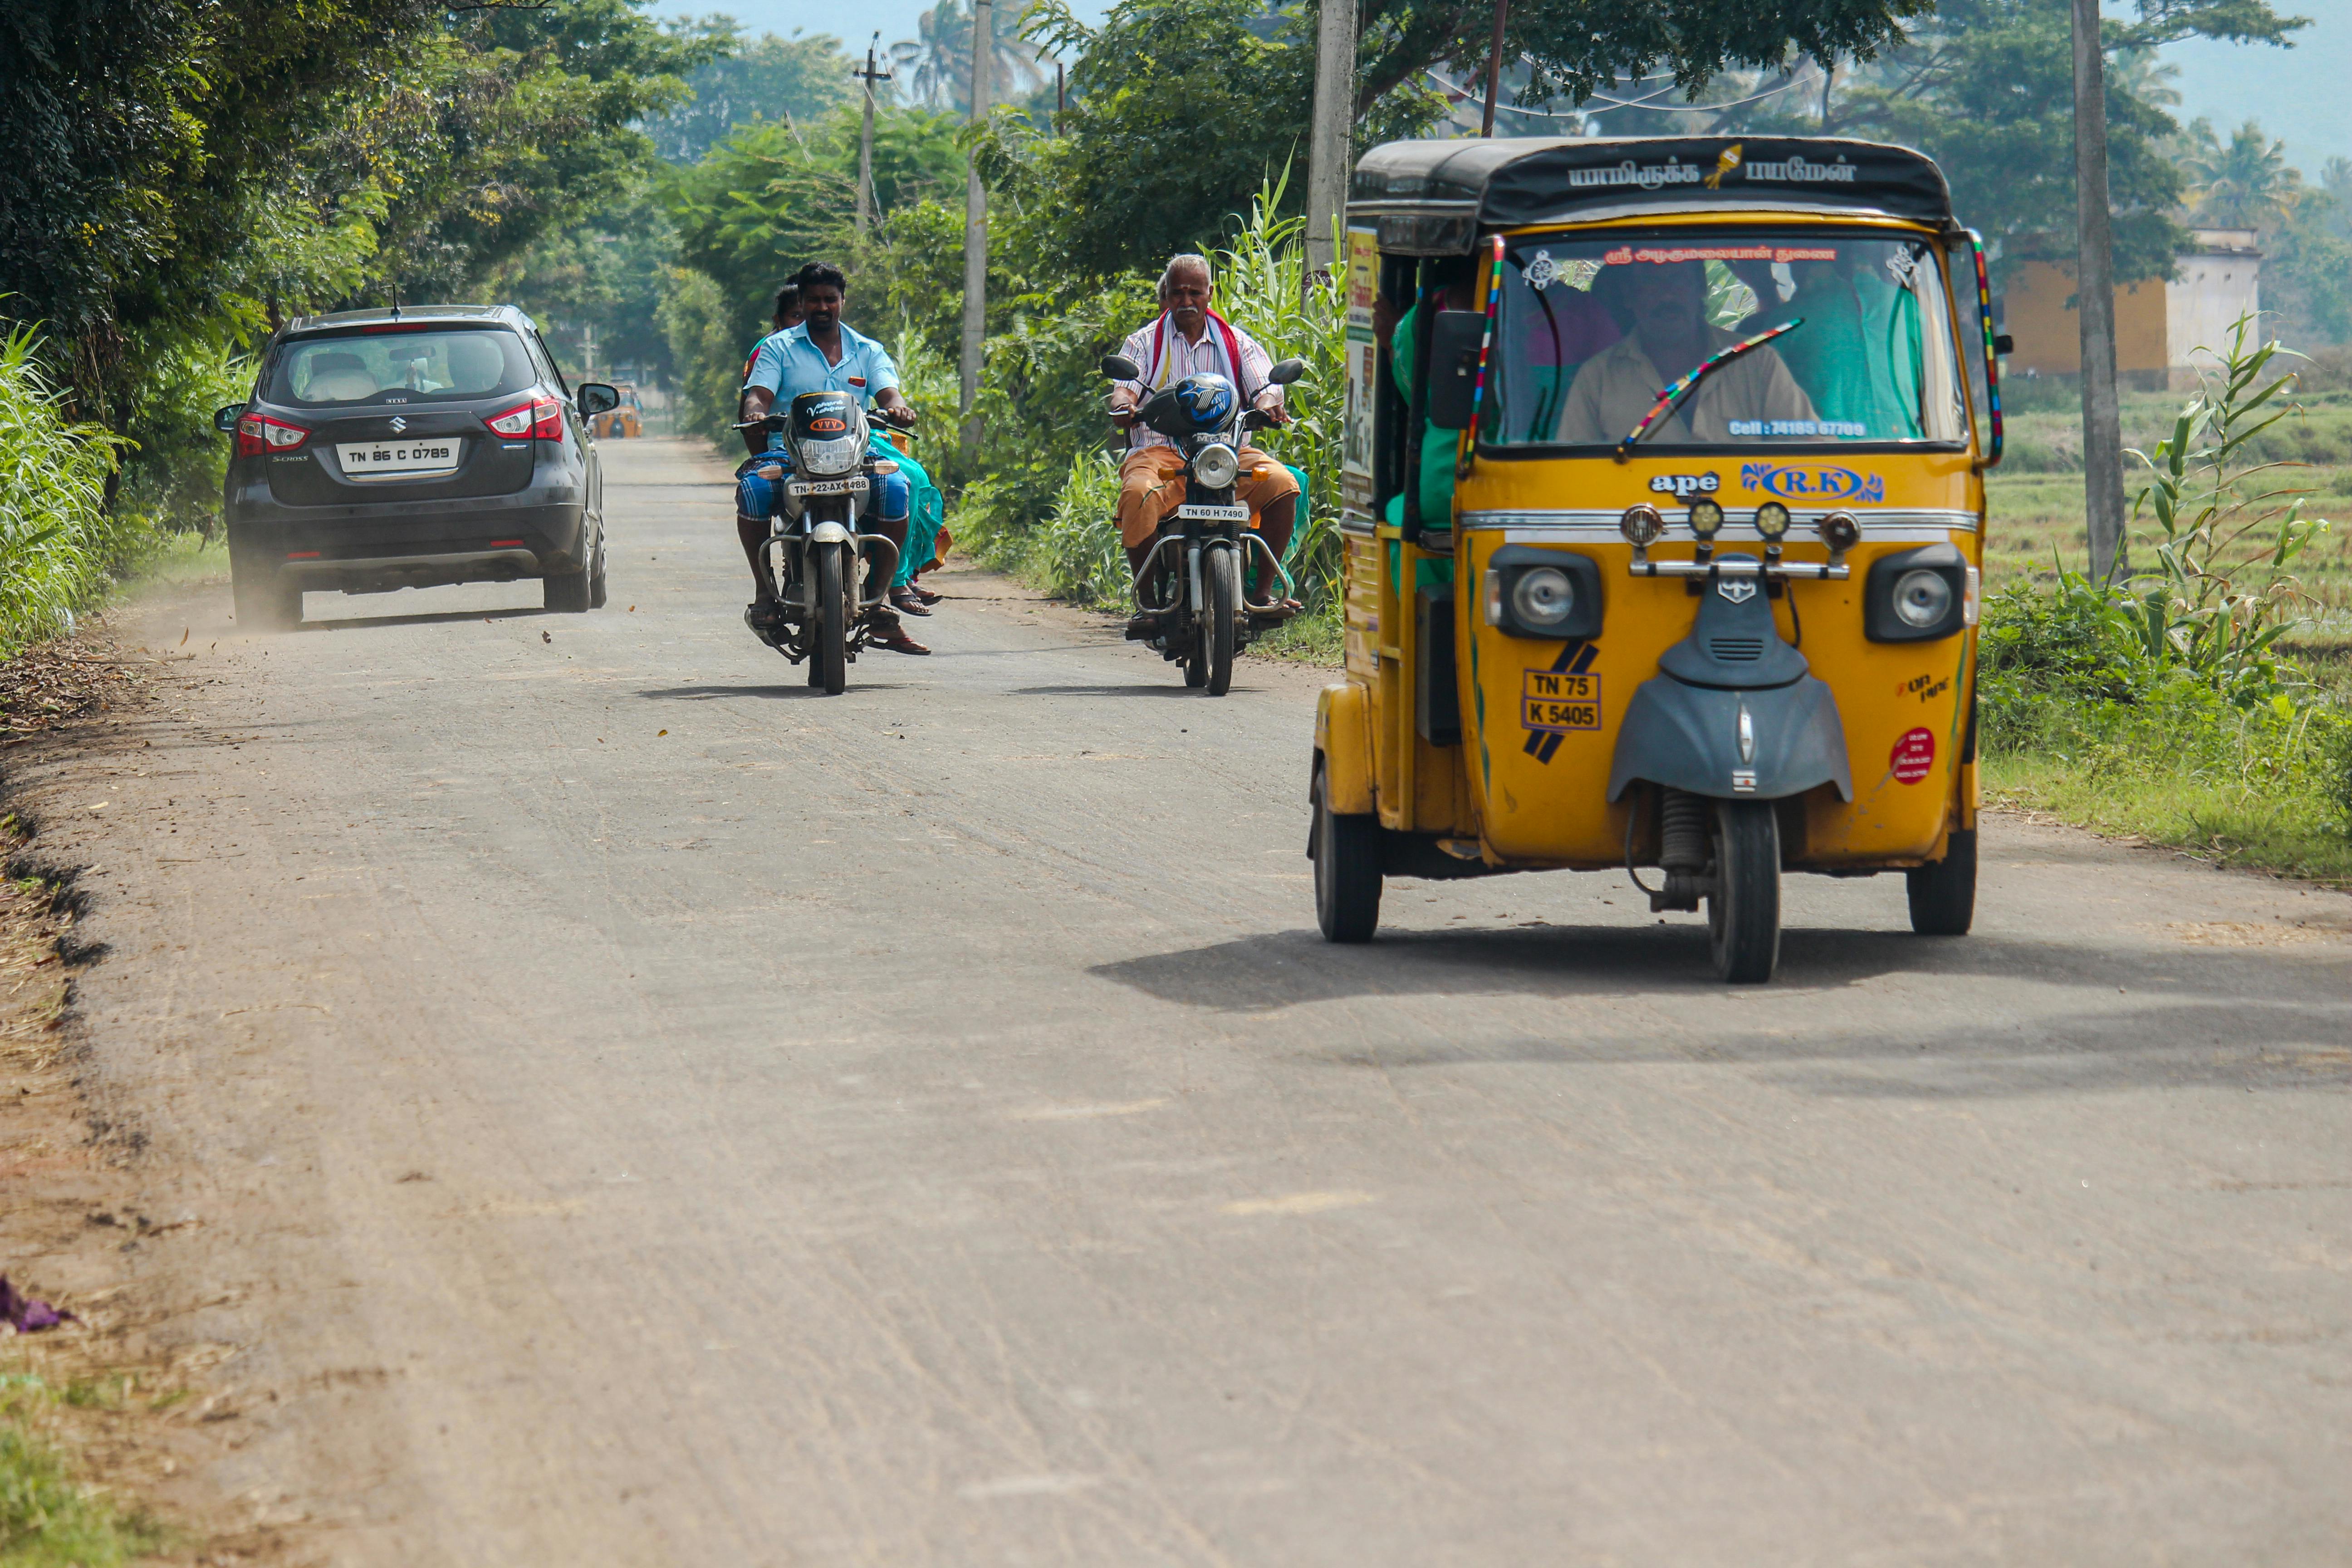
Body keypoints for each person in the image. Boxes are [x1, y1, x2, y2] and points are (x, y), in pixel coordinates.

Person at [738, 261, 929, 655]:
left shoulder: (868, 350)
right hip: (791, 454)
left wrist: (899, 409)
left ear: (843, 301)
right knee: (753, 491)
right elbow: (758, 393)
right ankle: (764, 591)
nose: (822, 307)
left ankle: (880, 592)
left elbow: (890, 394)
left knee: (897, 487)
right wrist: (755, 410)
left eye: (830, 300)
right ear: (803, 303)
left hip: (855, 455)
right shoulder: (778, 348)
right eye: (813, 301)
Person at [1107, 254, 1300, 629]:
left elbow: (1265, 388)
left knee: (1283, 485)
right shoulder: (1144, 343)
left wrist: (1268, 405)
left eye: (1195, 292)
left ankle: (1261, 594)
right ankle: (1147, 603)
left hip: (1226, 454)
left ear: (1210, 294)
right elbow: (1123, 392)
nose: (1186, 301)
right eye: (1177, 293)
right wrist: (1124, 405)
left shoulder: (1237, 343)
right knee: (1136, 493)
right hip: (1159, 454)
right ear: (1166, 296)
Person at [1555, 260, 1815, 446]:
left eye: (1678, 280)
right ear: (1629, 296)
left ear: (1701, 288)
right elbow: (1567, 473)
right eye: (1651, 283)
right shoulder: (1597, 379)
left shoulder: (1757, 361)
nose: (1667, 295)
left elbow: (1813, 449)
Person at [738, 284, 804, 450]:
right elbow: (751, 406)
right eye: (796, 316)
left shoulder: (846, 347)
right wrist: (761, 458)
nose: (802, 324)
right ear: (778, 320)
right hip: (785, 448)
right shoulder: (767, 350)